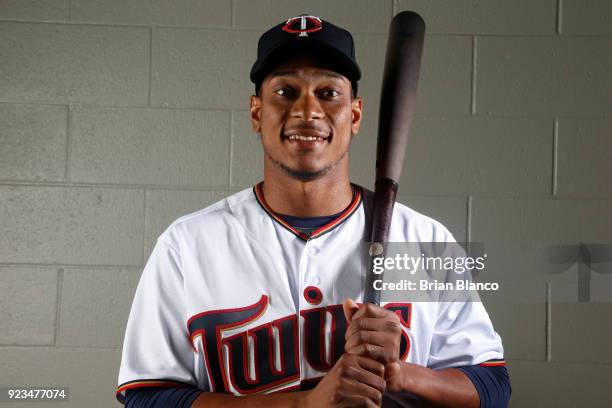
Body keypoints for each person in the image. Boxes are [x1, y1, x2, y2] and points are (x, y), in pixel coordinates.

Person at [117, 15, 510, 408]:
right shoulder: (189, 245)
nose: (308, 110)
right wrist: (303, 405)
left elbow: (492, 388)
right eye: (286, 91)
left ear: (354, 115)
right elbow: (147, 397)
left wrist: (399, 373)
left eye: (328, 93)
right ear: (257, 113)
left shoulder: (424, 242)